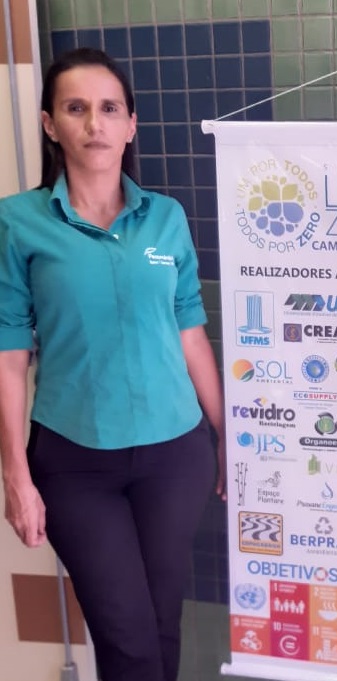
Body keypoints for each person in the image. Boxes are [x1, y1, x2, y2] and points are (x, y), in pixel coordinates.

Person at [0, 48, 226, 681]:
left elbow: (191, 337)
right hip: (75, 462)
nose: (94, 123)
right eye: (76, 109)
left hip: (175, 455)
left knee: (160, 624)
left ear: (131, 125)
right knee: (126, 637)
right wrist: (15, 475)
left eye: (109, 108)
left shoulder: (166, 218)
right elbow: (9, 357)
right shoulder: (17, 223)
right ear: (51, 124)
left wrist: (227, 434)